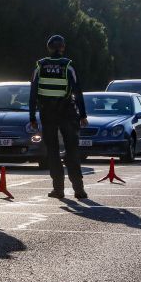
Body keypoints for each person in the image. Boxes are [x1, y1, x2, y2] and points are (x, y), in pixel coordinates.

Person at [28, 34, 88, 199]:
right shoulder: (68, 66)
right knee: (72, 150)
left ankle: (58, 189)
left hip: (48, 114)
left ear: (48, 48)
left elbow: (33, 93)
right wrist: (83, 115)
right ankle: (79, 189)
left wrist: (32, 117)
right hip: (67, 113)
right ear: (62, 48)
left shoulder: (40, 66)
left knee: (53, 152)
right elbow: (77, 91)